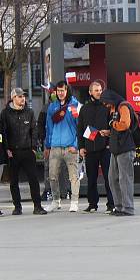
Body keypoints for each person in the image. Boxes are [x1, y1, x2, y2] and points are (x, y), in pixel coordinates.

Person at [0, 88, 47, 215]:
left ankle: (37, 206)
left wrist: (33, 147)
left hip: (27, 151)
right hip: (12, 152)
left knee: (33, 179)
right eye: (20, 97)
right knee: (14, 181)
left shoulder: (29, 112)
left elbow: (34, 130)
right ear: (13, 98)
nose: (23, 99)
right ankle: (17, 207)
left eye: (24, 96)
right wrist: (7, 149)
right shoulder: (5, 113)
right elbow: (3, 133)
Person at [78, 80, 115, 214]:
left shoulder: (107, 107)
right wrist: (81, 147)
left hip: (105, 148)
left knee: (108, 178)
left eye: (100, 90)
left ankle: (111, 204)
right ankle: (92, 204)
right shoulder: (84, 109)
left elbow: (113, 126)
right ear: (90, 92)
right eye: (96, 90)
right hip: (90, 149)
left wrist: (109, 139)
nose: (99, 92)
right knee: (91, 178)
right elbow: (80, 129)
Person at [44, 80, 81, 212]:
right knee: (52, 175)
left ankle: (74, 202)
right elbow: (48, 127)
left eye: (63, 90)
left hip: (70, 147)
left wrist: (76, 145)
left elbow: (79, 127)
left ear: (67, 91)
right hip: (54, 147)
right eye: (58, 91)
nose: (60, 93)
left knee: (73, 177)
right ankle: (56, 201)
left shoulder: (74, 105)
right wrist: (47, 146)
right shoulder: (52, 107)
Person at [101, 88, 137, 216]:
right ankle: (119, 206)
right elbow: (118, 129)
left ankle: (128, 208)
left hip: (125, 149)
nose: (106, 106)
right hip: (116, 149)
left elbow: (125, 125)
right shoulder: (115, 108)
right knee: (112, 178)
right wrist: (109, 132)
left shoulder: (123, 107)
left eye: (106, 103)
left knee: (124, 179)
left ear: (111, 100)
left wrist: (113, 124)